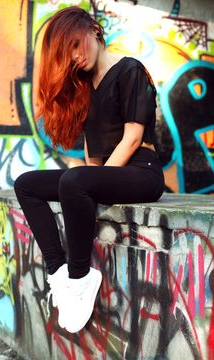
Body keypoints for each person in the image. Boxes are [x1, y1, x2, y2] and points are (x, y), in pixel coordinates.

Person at [14, 6, 164, 334]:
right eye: (66, 52)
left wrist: (96, 179)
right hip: (111, 173)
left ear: (94, 31)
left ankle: (82, 277)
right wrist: (95, 177)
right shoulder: (85, 88)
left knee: (76, 178)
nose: (74, 57)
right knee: (26, 183)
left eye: (75, 44)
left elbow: (134, 136)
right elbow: (91, 154)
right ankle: (61, 275)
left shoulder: (130, 70)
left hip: (142, 171)